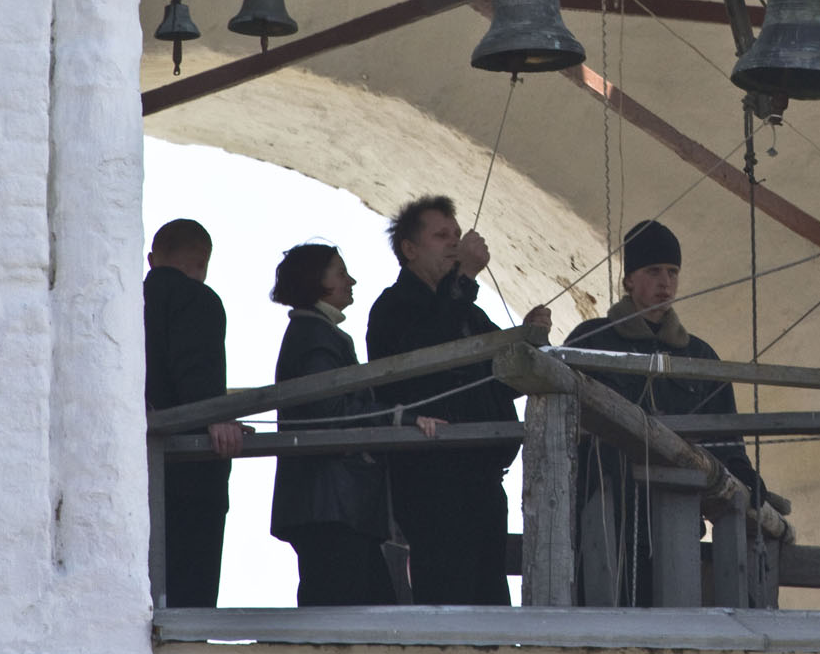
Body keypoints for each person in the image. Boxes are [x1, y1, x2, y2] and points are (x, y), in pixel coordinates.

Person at [565, 219, 766, 607]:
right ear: (629, 280)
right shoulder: (591, 340)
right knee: (603, 616)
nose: (665, 282)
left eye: (672, 272)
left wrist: (744, 476)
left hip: (677, 518)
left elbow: (725, 439)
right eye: (653, 271)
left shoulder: (699, 356)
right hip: (604, 516)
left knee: (673, 617)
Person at [366, 195, 552, 605]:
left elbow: (503, 381)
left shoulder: (468, 312)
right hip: (433, 479)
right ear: (410, 249)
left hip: (483, 477)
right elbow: (429, 354)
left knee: (490, 597)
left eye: (456, 233)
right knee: (448, 592)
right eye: (441, 235)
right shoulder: (394, 307)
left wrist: (529, 339)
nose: (454, 242)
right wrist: (464, 276)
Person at [268, 242, 396, 606]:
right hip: (332, 505)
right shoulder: (316, 335)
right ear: (316, 281)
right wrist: (398, 416)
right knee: (346, 613)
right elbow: (332, 411)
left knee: (359, 612)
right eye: (341, 273)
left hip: (329, 505)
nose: (350, 281)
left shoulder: (314, 332)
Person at [143, 217, 245, 607]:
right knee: (189, 597)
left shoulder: (126, 299)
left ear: (151, 259)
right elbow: (196, 370)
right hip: (189, 475)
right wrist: (215, 416)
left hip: (133, 474)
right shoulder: (197, 299)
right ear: (203, 261)